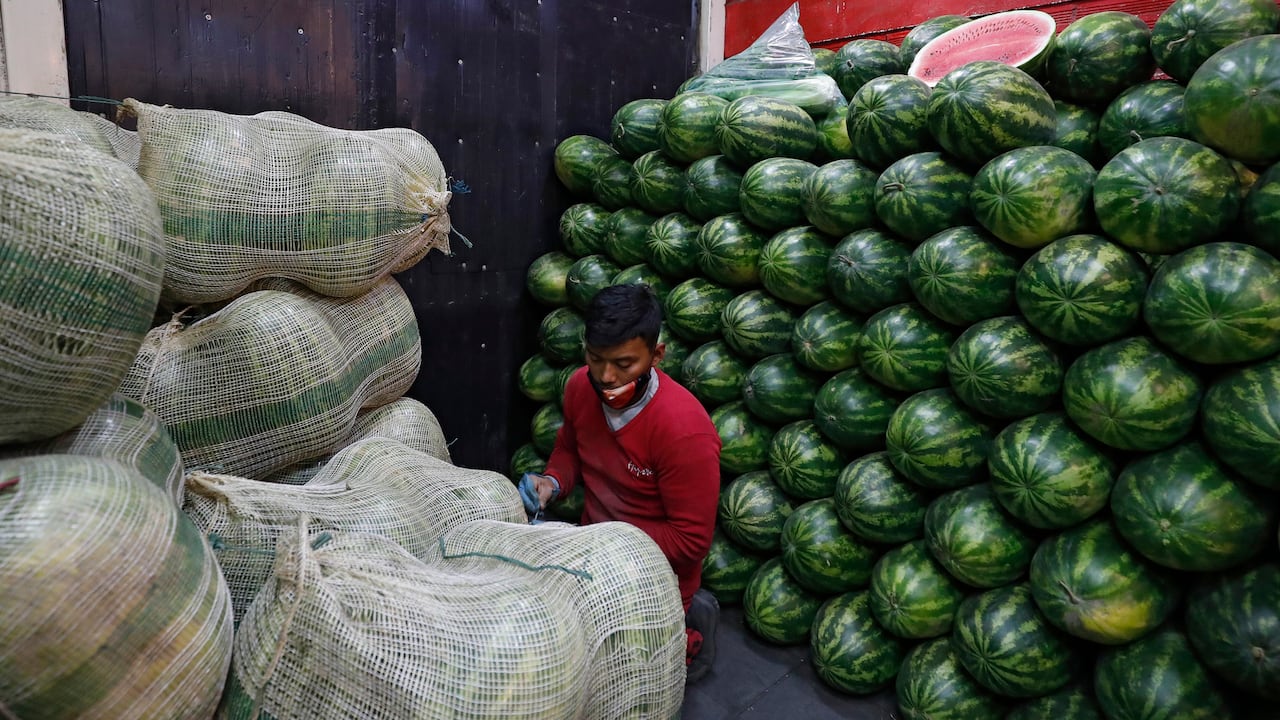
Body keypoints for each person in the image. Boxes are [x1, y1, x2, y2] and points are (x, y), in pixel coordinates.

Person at [518, 283, 723, 684]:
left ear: (656, 355)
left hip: (653, 577)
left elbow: (690, 541)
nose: (607, 377)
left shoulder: (685, 432)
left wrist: (599, 542)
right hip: (591, 551)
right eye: (596, 359)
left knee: (609, 681)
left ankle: (687, 629)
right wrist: (552, 482)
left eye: (624, 364)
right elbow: (570, 451)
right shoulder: (580, 386)